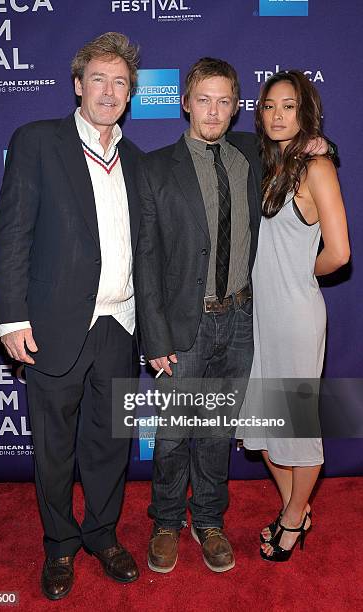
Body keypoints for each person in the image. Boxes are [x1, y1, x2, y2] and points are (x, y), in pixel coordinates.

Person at [0, 32, 141, 599]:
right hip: (55, 325)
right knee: (54, 449)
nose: (109, 91)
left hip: (121, 325)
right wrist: (11, 319)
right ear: (78, 86)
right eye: (98, 79)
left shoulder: (139, 161)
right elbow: (11, 238)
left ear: (130, 94)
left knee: (109, 446)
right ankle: (59, 545)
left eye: (120, 82)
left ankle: (103, 535)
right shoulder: (36, 142)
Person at [135, 57, 262, 573]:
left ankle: (209, 520)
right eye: (203, 99)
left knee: (216, 430)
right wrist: (155, 333)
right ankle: (166, 521)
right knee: (172, 432)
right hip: (182, 325)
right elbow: (145, 257)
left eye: (224, 101)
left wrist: (324, 145)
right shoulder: (154, 166)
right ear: (185, 102)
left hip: (238, 323)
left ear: (236, 108)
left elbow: (302, 144)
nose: (213, 110)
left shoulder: (253, 155)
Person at [240, 70, 350, 562]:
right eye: (268, 106)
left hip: (296, 316)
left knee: (297, 428)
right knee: (263, 427)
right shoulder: (268, 164)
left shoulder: (316, 167)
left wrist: (301, 274)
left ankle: (290, 520)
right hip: (259, 316)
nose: (277, 115)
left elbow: (340, 252)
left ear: (306, 112)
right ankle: (296, 509)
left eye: (289, 106)